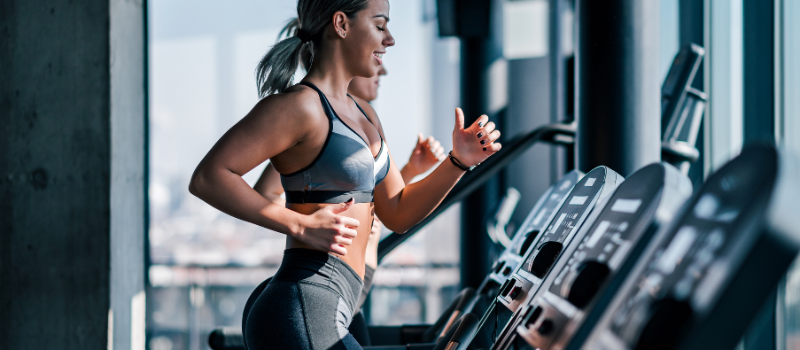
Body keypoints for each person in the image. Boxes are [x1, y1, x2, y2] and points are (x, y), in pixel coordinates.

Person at [188, 0, 501, 349]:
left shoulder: (366, 115)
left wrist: (458, 161)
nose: (391, 39)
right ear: (341, 24)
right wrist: (300, 224)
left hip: (339, 303)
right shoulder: (299, 107)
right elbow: (209, 177)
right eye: (380, 26)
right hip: (304, 300)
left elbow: (398, 212)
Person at [252, 63, 445, 345]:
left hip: (349, 289)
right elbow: (266, 191)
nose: (383, 73)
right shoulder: (313, 126)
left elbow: (373, 202)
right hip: (318, 287)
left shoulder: (364, 120)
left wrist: (411, 170)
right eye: (377, 66)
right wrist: (305, 224)